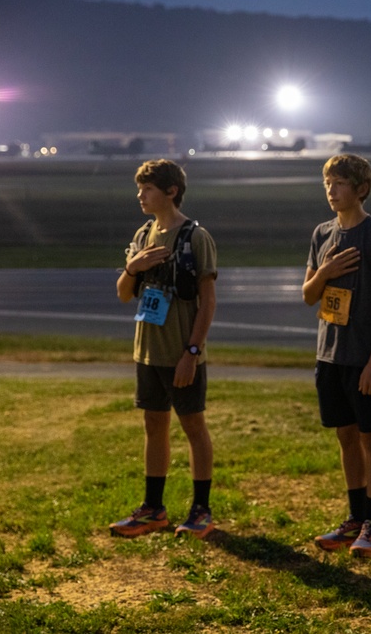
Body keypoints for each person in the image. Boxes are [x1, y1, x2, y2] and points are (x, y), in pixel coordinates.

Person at [111, 159, 218, 540]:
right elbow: (124, 294)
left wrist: (192, 352)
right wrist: (133, 267)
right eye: (140, 189)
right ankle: (153, 509)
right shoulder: (143, 235)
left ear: (171, 191)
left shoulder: (194, 237)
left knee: (193, 426)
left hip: (180, 353)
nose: (140, 195)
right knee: (153, 425)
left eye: (148, 189)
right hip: (147, 352)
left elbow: (207, 301)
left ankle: (201, 510)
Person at [303, 153, 371, 558]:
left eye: (340, 183)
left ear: (361, 189)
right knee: (345, 436)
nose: (331, 190)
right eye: (327, 182)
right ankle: (355, 517)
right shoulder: (321, 234)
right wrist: (324, 272)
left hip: (364, 357)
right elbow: (309, 295)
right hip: (329, 356)